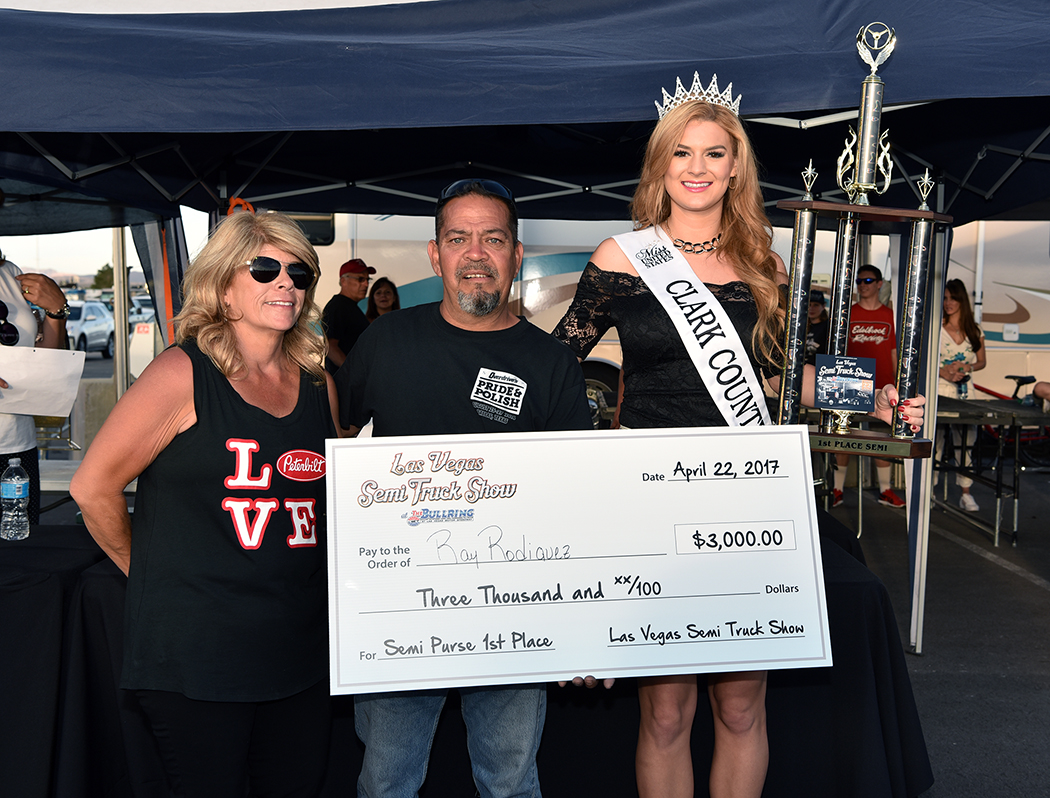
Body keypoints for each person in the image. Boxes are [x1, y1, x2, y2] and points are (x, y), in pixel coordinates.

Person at [551, 74, 924, 798]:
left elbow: (782, 377)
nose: (696, 168)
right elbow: (554, 364)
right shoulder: (622, 256)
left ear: (735, 168)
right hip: (651, 500)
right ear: (660, 165)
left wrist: (875, 399)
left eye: (714, 153)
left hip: (745, 497)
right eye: (681, 152)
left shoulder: (765, 264)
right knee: (665, 712)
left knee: (742, 706)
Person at [336, 179, 592, 798]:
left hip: (513, 611)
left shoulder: (552, 363)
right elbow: (341, 439)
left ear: (516, 255)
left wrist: (584, 622)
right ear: (435, 255)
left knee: (510, 781)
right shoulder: (384, 342)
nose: (475, 254)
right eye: (458, 239)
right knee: (386, 781)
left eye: (493, 239)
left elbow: (576, 495)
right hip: (398, 607)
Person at [70, 211, 339, 796]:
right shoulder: (181, 373)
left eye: (298, 272)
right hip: (199, 654)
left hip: (299, 647)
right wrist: (149, 573)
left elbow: (333, 499)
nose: (285, 283)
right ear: (223, 286)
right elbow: (92, 486)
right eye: (264, 269)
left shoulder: (318, 381)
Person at [0, 248, 70, 525]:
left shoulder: (9, 273)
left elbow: (43, 360)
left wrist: (56, 311)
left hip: (16, 445)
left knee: (22, 546)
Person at [832, 264, 906, 509]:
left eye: (867, 281)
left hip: (883, 387)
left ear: (879, 284)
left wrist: (897, 383)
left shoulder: (890, 316)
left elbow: (894, 352)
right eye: (859, 281)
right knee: (842, 436)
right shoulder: (848, 313)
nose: (862, 285)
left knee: (881, 438)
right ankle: (836, 489)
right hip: (850, 385)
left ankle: (885, 490)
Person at [937, 278, 986, 511]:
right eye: (945, 298)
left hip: (966, 391)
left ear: (962, 300)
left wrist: (967, 367)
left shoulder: (974, 329)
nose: (948, 303)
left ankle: (966, 492)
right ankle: (928, 490)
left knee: (966, 441)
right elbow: (923, 360)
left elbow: (982, 361)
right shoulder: (936, 327)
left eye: (953, 298)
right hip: (939, 388)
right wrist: (943, 372)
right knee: (934, 441)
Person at [323, 257, 374, 374]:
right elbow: (330, 347)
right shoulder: (338, 307)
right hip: (344, 381)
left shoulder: (348, 307)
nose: (366, 284)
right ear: (343, 281)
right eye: (360, 279)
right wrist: (353, 372)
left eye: (368, 279)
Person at [804, 288, 829, 365]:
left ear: (823, 306)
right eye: (809, 304)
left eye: (816, 305)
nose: (811, 308)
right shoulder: (801, 326)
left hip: (819, 368)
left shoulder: (828, 328)